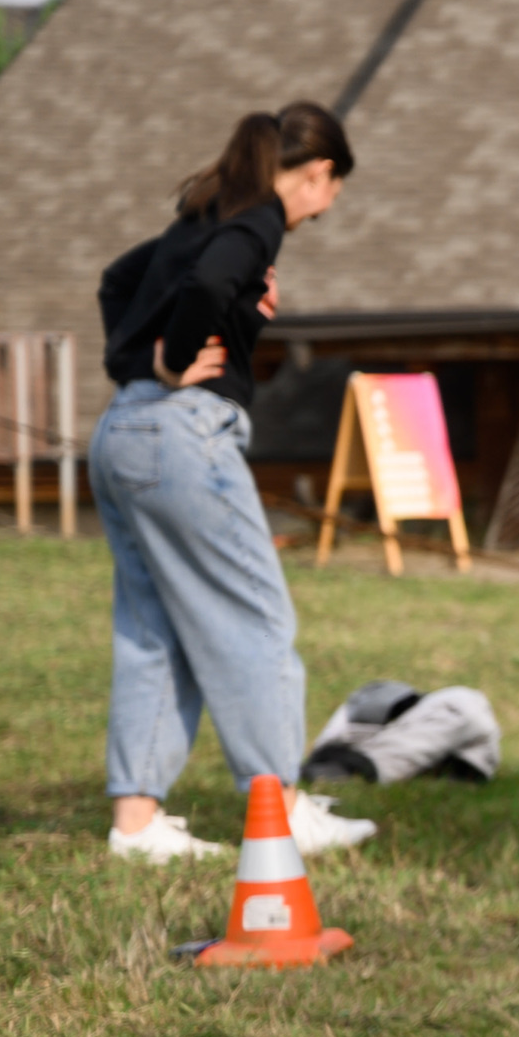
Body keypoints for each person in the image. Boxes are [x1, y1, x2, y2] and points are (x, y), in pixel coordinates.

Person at [89, 103, 380, 862]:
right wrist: (173, 359)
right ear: (319, 174)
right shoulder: (257, 222)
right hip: (184, 433)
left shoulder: (202, 215)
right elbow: (212, 283)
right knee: (257, 616)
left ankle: (136, 822)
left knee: (154, 626)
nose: (323, 209)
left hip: (124, 430)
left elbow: (117, 281)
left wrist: (136, 367)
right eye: (331, 193)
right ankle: (279, 808)